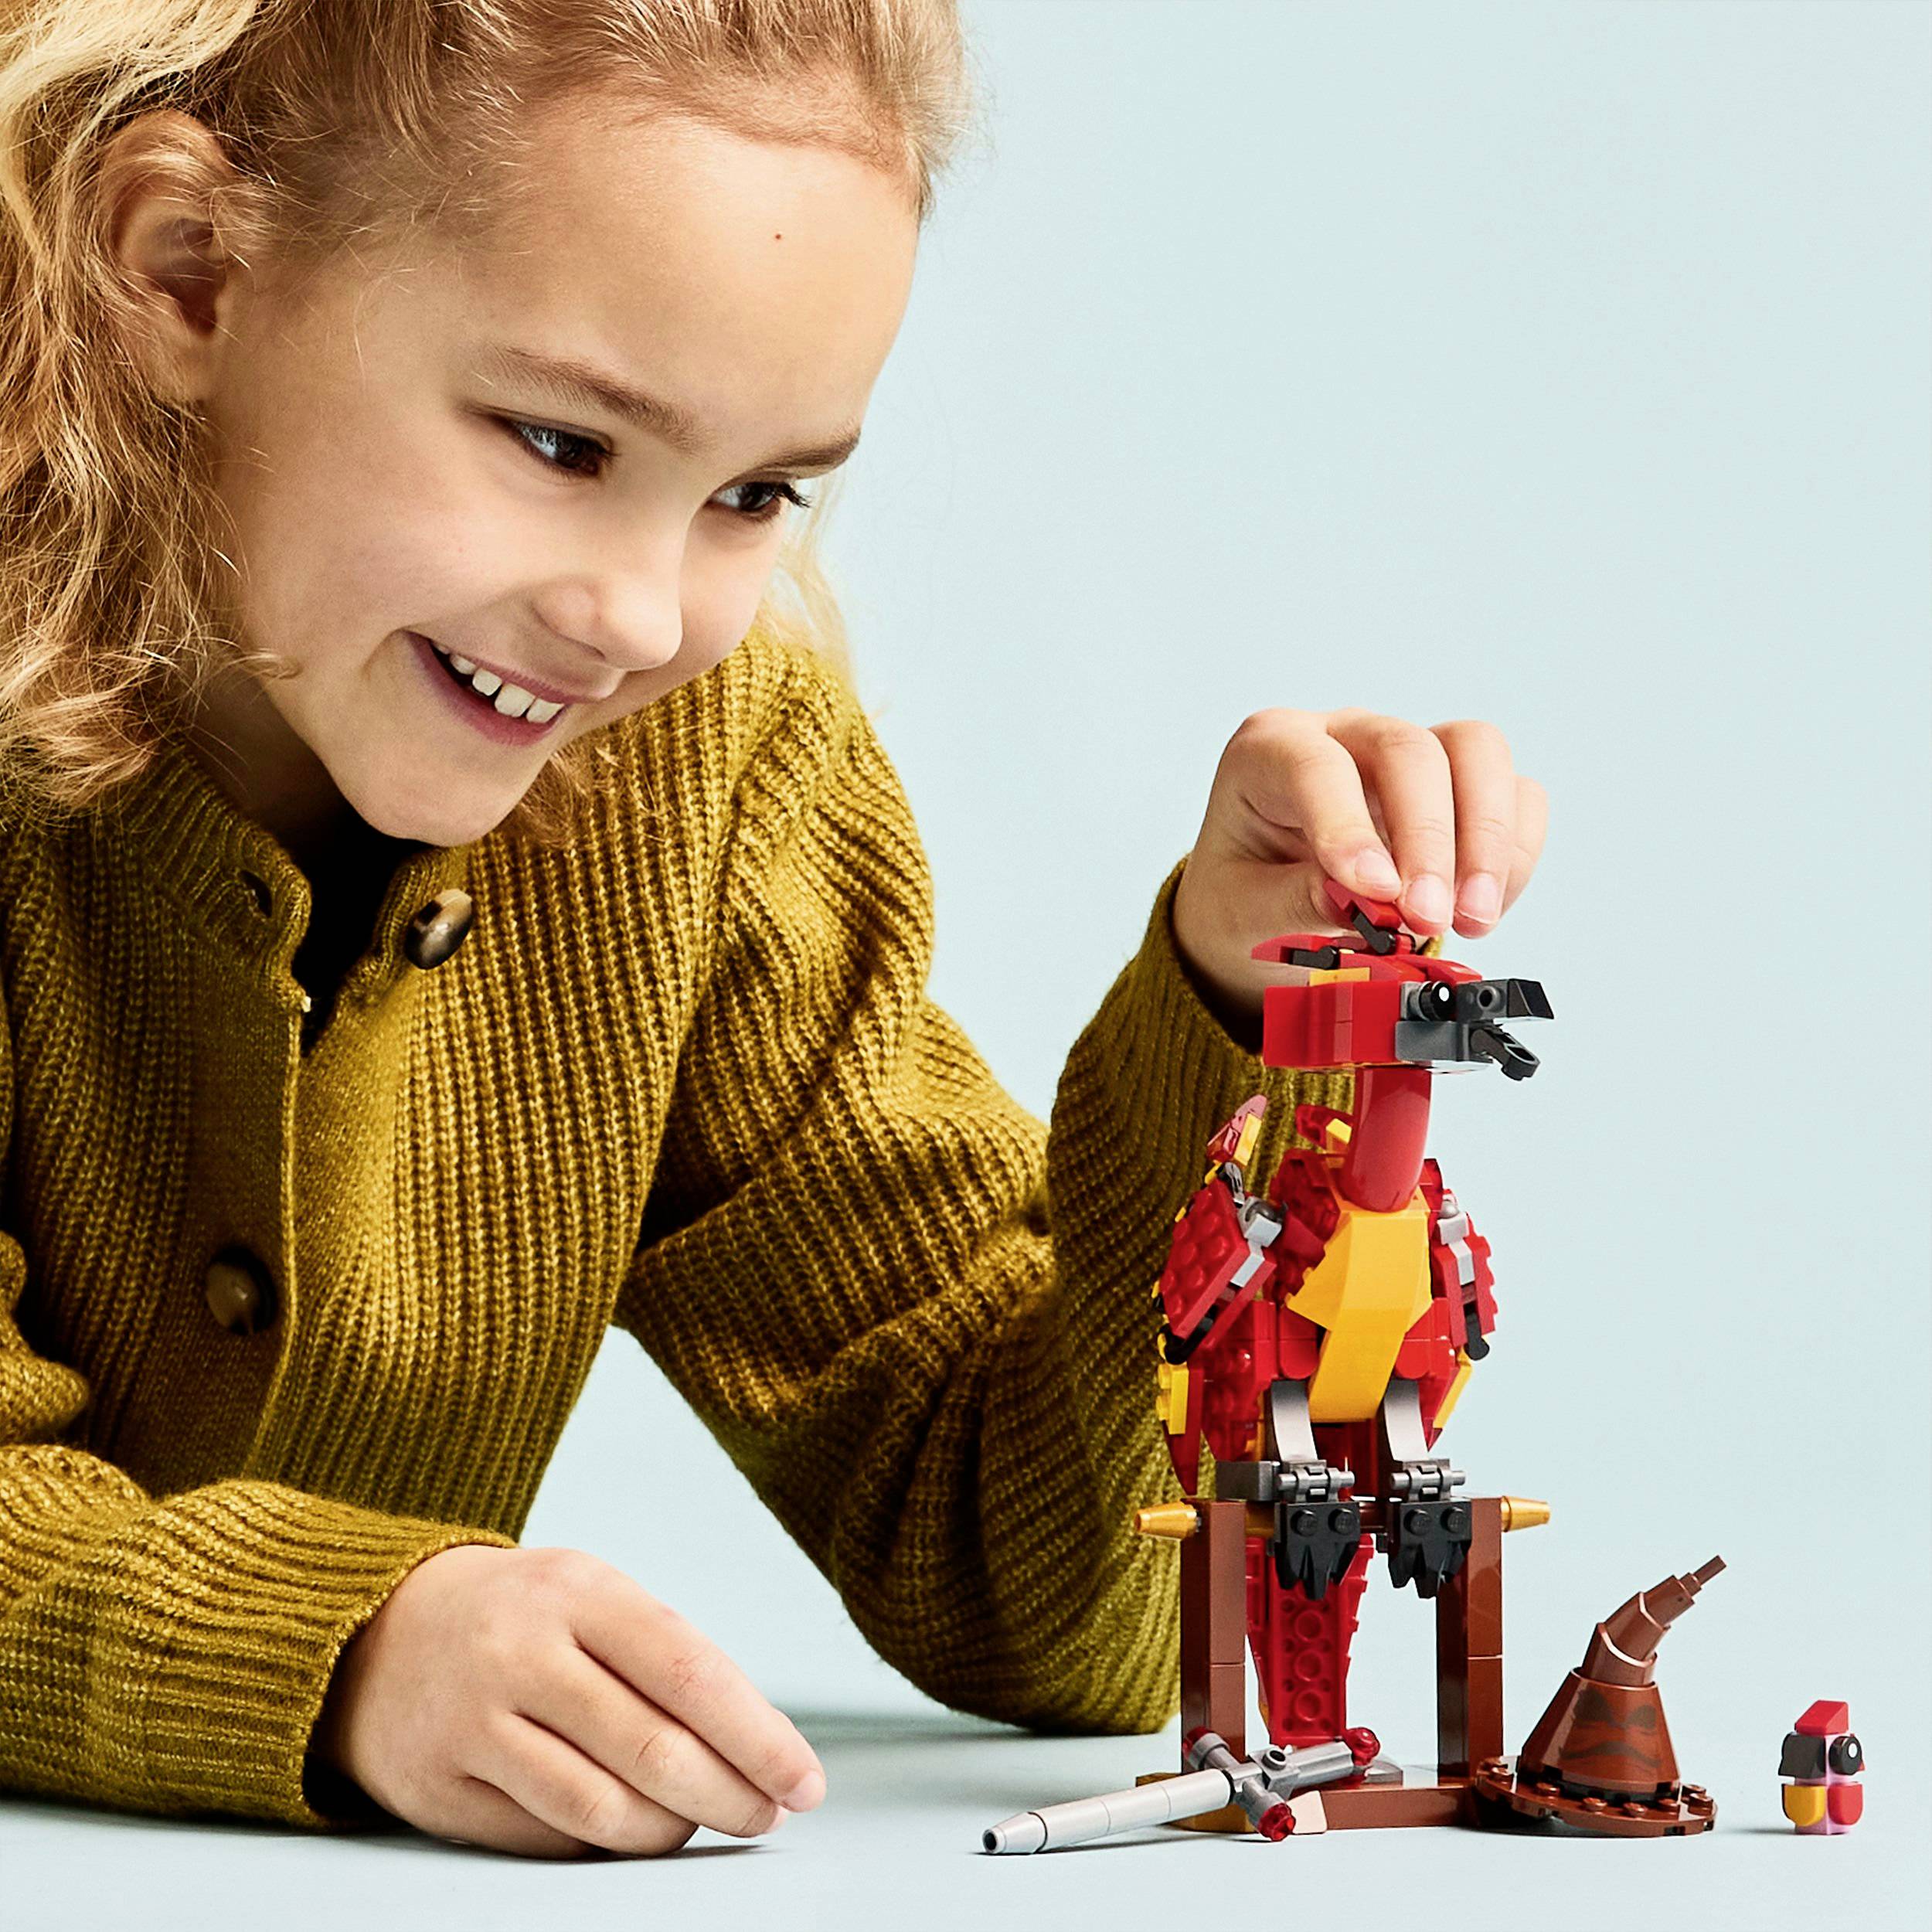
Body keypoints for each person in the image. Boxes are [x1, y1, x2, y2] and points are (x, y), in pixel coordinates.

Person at [0, 0, 1546, 1862]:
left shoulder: (703, 786)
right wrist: (341, 1650)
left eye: (752, 494)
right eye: (559, 440)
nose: (642, 617)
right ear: (181, 274)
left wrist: (1232, 1008)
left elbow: (1062, 1608)